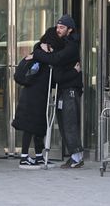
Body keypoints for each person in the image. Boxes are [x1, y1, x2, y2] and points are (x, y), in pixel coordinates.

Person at [26, 14, 84, 168]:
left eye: (62, 27)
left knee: (69, 122)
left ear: (70, 30)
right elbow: (50, 51)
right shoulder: (62, 43)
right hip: (62, 88)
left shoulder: (71, 46)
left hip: (70, 90)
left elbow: (55, 59)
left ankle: (77, 156)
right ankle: (74, 155)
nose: (58, 30)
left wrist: (38, 54)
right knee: (64, 122)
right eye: (58, 26)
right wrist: (40, 48)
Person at [12, 27, 65, 169]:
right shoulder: (38, 56)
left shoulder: (44, 56)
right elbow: (28, 76)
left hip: (41, 96)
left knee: (39, 126)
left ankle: (39, 155)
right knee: (29, 125)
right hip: (32, 96)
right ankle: (24, 157)